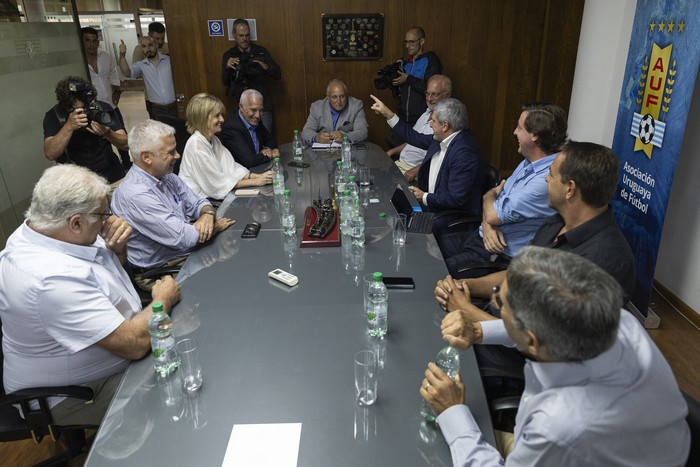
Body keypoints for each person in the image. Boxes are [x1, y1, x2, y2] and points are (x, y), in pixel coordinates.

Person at [422, 247, 690, 466]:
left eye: (500, 303)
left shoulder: (560, 424)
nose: (494, 303)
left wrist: (452, 411)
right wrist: (479, 330)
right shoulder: (619, 322)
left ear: (533, 341)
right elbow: (549, 327)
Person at [0, 164, 180, 426]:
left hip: (116, 350)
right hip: (77, 392)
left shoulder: (47, 228)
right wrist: (162, 300)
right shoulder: (50, 280)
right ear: (76, 222)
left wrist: (118, 250)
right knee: (178, 386)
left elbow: (104, 279)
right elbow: (134, 344)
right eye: (103, 214)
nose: (109, 220)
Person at [435, 141, 637, 319]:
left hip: (518, 355)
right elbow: (518, 275)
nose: (546, 180)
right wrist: (465, 285)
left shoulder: (602, 260)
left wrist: (467, 312)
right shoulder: (555, 223)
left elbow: (543, 342)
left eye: (551, 175)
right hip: (493, 319)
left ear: (570, 189)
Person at [438, 103, 568, 274]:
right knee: (426, 247)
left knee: (433, 271)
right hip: (482, 236)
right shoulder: (528, 162)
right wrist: (488, 224)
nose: (515, 132)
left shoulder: (545, 180)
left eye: (519, 127)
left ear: (534, 135)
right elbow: (493, 205)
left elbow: (493, 208)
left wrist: (489, 203)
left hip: (497, 257)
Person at [111, 119, 235, 290]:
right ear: (146, 157)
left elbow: (199, 203)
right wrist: (216, 225)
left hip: (185, 253)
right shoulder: (136, 195)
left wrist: (208, 215)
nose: (177, 155)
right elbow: (186, 238)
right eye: (170, 152)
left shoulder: (166, 176)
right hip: (162, 271)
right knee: (229, 279)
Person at [370, 94, 483, 215]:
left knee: (398, 221)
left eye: (433, 120)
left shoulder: (465, 154)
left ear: (445, 126)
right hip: (431, 204)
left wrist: (424, 197)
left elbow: (456, 198)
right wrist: (388, 114)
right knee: (390, 198)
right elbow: (414, 137)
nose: (429, 124)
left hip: (447, 215)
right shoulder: (442, 138)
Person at [179, 93, 273, 199]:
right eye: (217, 116)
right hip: (199, 203)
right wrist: (255, 181)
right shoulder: (197, 147)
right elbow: (217, 185)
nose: (222, 120)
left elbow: (230, 167)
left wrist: (255, 176)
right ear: (203, 118)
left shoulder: (213, 139)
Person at [43, 76, 127, 184]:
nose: (86, 111)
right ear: (68, 107)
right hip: (78, 183)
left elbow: (125, 144)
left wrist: (107, 133)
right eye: (80, 109)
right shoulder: (55, 115)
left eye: (89, 105)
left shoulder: (101, 108)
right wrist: (68, 127)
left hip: (112, 175)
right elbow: (50, 153)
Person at [386, 75, 452, 181]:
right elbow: (412, 139)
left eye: (435, 94)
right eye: (427, 93)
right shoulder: (425, 113)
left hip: (415, 174)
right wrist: (390, 152)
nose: (429, 98)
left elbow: (441, 158)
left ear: (447, 95)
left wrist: (415, 171)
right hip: (400, 164)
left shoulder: (447, 123)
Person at [221, 18, 281, 133]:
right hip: (242, 107)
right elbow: (225, 82)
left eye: (247, 35)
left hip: (262, 106)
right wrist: (227, 68)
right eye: (241, 35)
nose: (245, 39)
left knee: (267, 139)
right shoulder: (229, 55)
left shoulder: (261, 51)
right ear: (234, 34)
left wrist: (266, 67)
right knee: (245, 141)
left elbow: (278, 74)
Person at [118, 35, 176, 120]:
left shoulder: (169, 60)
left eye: (150, 45)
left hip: (175, 108)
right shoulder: (141, 65)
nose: (148, 49)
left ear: (156, 45)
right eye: (144, 46)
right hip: (157, 111)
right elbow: (127, 73)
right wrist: (122, 55)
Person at [219, 89, 279, 169]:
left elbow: (271, 140)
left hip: (258, 168)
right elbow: (249, 161)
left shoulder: (254, 119)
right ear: (241, 107)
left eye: (261, 110)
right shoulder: (231, 128)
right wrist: (270, 155)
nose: (257, 115)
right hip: (241, 174)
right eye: (253, 110)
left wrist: (267, 149)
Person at [394, 27, 442, 125]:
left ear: (422, 41)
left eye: (411, 42)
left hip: (423, 119)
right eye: (406, 42)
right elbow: (402, 93)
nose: (407, 46)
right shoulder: (406, 63)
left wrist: (408, 79)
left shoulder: (431, 60)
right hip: (403, 118)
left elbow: (430, 89)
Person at [301, 79, 368, 145]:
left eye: (342, 96)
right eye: (334, 97)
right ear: (328, 97)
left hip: (347, 150)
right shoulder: (317, 107)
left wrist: (345, 137)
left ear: (346, 95)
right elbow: (306, 131)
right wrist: (317, 137)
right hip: (322, 153)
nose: (338, 101)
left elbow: (362, 132)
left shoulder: (356, 106)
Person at [131, 21, 170, 117]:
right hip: (151, 97)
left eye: (162, 38)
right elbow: (136, 72)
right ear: (149, 35)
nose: (160, 42)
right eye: (157, 39)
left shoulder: (167, 47)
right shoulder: (140, 49)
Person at [82, 27, 121, 107]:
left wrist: (117, 92)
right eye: (87, 40)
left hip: (110, 103)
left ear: (98, 42)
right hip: (91, 106)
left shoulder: (105, 56)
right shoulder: (78, 61)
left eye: (94, 41)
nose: (91, 44)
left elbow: (114, 73)